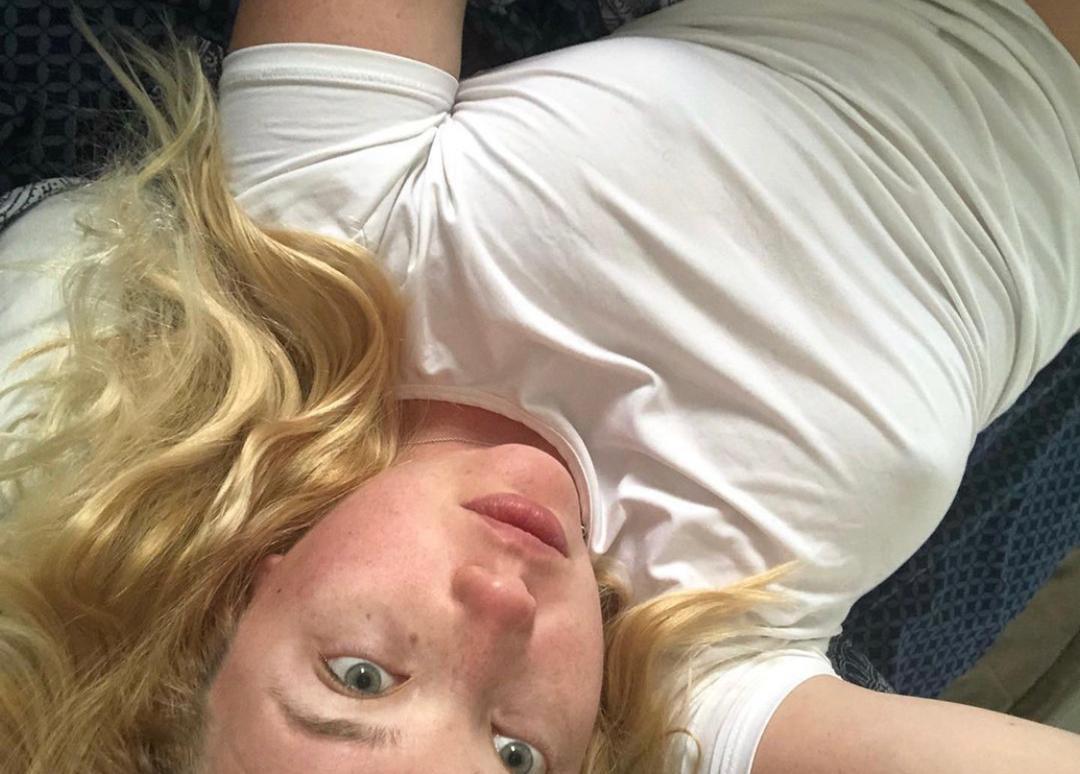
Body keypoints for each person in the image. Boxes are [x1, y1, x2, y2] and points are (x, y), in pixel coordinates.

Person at [1, 0, 1079, 772]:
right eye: (516, 755)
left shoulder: (322, 240)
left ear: (232, 594)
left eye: (360, 677)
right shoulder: (694, 673)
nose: (503, 616)